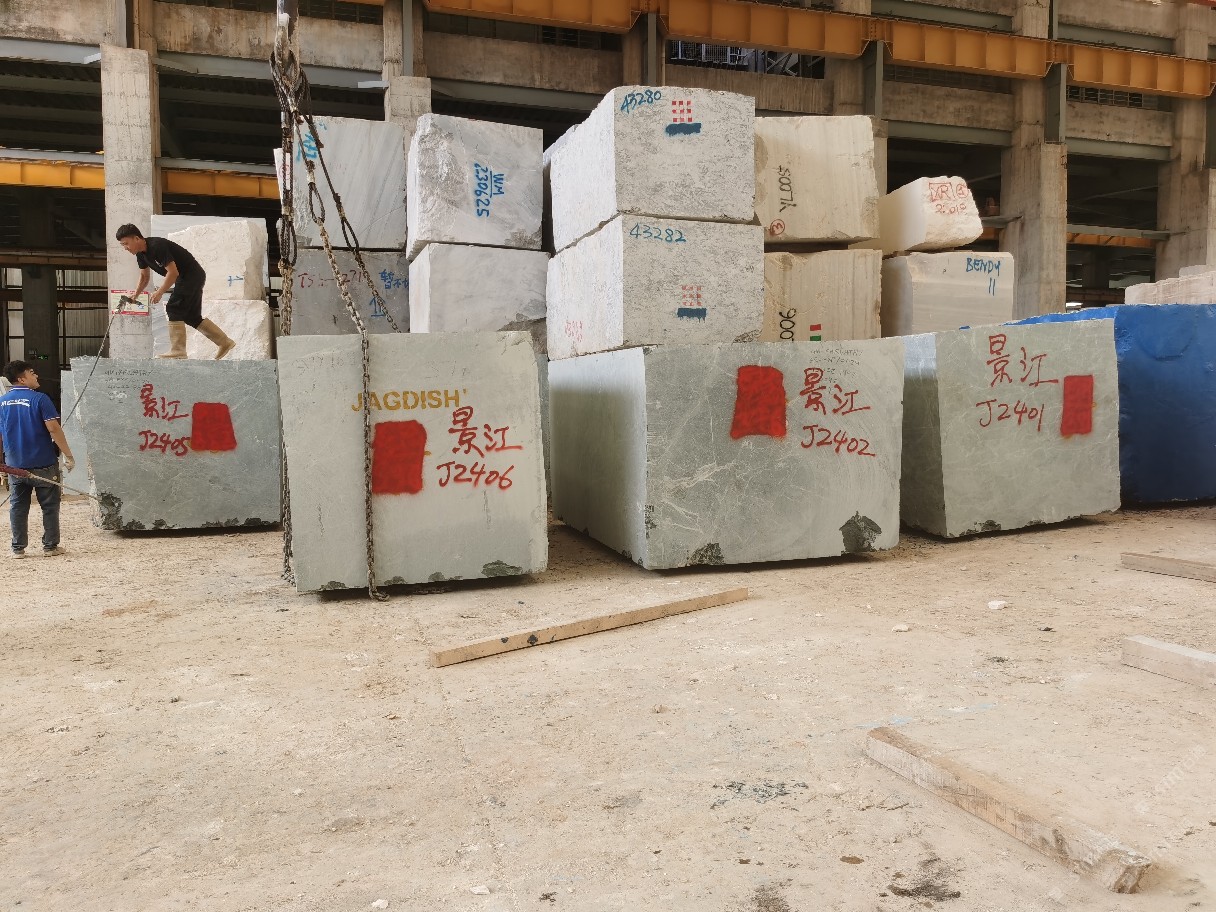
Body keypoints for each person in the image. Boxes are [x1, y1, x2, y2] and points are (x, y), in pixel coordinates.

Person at [115, 224, 236, 360]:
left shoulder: (157, 246)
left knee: (173, 308)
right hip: (186, 277)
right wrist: (136, 294)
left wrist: (160, 292)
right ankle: (224, 342)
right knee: (191, 317)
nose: (125, 248)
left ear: (136, 238)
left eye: (126, 244)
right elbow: (144, 276)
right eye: (122, 245)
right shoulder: (141, 255)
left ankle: (178, 351)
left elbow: (173, 272)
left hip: (191, 275)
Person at [0, 361, 75, 558]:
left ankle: (18, 549)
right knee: (49, 506)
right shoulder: (40, 399)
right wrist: (68, 455)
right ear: (22, 379)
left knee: (18, 507)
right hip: (43, 464)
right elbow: (54, 428)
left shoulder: (2, 402)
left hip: (15, 466)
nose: (36, 376)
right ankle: (50, 547)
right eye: (32, 373)